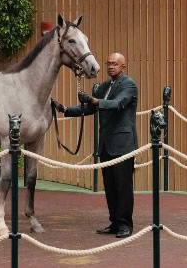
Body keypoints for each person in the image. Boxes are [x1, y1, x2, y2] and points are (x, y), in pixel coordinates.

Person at [54, 52, 138, 238]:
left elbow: (117, 104)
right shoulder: (104, 86)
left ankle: (126, 224)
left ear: (123, 67)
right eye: (108, 63)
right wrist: (65, 109)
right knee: (109, 186)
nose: (110, 66)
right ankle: (115, 222)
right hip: (106, 145)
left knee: (123, 187)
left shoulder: (129, 85)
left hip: (123, 145)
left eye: (115, 64)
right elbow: (91, 108)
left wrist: (93, 100)